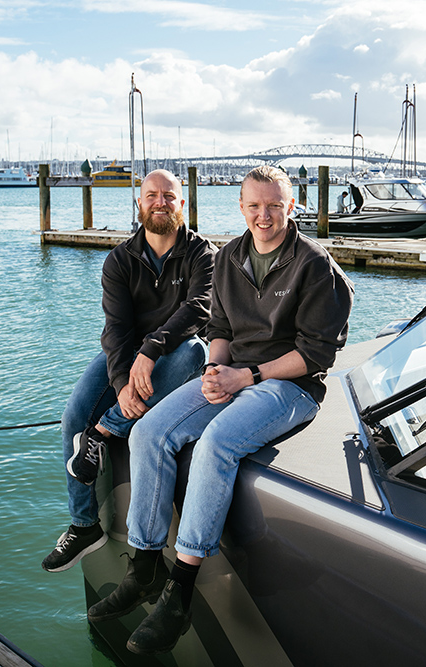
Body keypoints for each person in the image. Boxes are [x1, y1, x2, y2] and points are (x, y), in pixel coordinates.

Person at [87, 165, 354, 655]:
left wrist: (245, 377)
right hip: (233, 373)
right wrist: (214, 369)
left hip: (289, 386)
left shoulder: (315, 265)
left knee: (215, 444)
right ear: (241, 207)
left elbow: (315, 355)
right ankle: (144, 566)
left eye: (273, 206)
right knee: (148, 432)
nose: (263, 216)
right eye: (254, 206)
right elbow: (221, 330)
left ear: (291, 206)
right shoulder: (230, 256)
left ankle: (180, 593)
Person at [41, 169, 216, 573]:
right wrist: (122, 383)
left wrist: (152, 349)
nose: (160, 202)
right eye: (151, 195)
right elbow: (116, 330)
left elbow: (199, 309)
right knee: (73, 416)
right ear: (140, 203)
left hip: (178, 355)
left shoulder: (202, 254)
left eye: (168, 196)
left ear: (182, 203)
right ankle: (84, 525)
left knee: (193, 350)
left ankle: (104, 432)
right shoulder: (120, 260)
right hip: (130, 358)